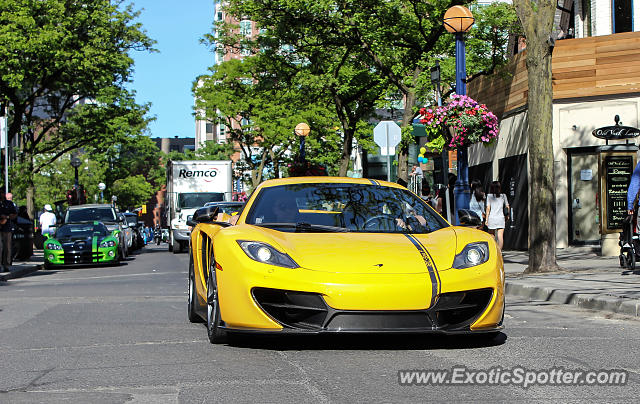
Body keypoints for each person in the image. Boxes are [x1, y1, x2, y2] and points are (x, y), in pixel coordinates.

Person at [485, 181, 510, 250]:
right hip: (501, 218)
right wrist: (507, 215)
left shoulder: (489, 196)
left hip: (492, 218)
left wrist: (486, 219)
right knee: (500, 236)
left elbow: (488, 208)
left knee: (491, 236)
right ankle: (499, 252)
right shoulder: (503, 196)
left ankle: (493, 250)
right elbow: (507, 206)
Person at [0, 190, 17, 272]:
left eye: (2, 193)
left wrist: (7, 217)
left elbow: (14, 214)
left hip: (7, 228)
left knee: (7, 247)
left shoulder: (9, 204)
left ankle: (6, 265)